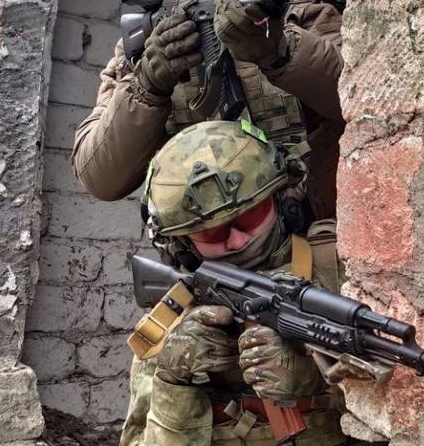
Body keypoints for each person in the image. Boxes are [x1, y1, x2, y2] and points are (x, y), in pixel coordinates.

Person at [73, 0, 345, 220]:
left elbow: (361, 98)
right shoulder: (138, 56)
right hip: (207, 244)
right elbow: (100, 178)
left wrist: (279, 51)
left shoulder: (291, 13)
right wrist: (147, 86)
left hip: (310, 231)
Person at [121, 120, 375, 446]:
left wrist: (322, 378)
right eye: (212, 233)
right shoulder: (169, 323)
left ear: (283, 200)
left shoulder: (339, 272)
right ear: (181, 244)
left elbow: (402, 402)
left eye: (249, 217)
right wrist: (174, 382)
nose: (237, 240)